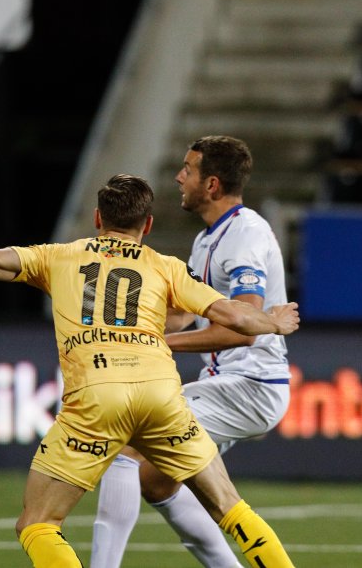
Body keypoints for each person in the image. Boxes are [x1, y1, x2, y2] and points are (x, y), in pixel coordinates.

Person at [0, 174, 300, 568]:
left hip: (97, 396)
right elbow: (237, 317)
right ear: (148, 225)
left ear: (98, 218)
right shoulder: (165, 266)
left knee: (37, 523)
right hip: (160, 394)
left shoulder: (59, 257)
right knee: (231, 507)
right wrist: (275, 324)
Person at [91, 136, 291, 568]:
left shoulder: (245, 235)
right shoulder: (207, 240)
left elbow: (244, 329)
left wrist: (158, 344)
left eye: (189, 169)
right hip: (226, 383)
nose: (179, 176)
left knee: (128, 442)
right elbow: (186, 315)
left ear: (212, 184)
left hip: (251, 384)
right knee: (155, 481)